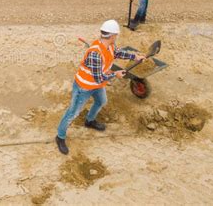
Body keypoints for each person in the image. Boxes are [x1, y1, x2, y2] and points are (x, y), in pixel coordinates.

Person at [55, 20, 145, 155]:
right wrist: (116, 74)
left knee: (101, 101)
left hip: (97, 85)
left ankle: (89, 121)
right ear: (113, 35)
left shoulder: (109, 45)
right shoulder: (96, 53)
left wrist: (135, 56)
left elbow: (118, 53)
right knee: (73, 113)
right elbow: (99, 77)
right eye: (117, 35)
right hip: (84, 87)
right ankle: (60, 136)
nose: (117, 37)